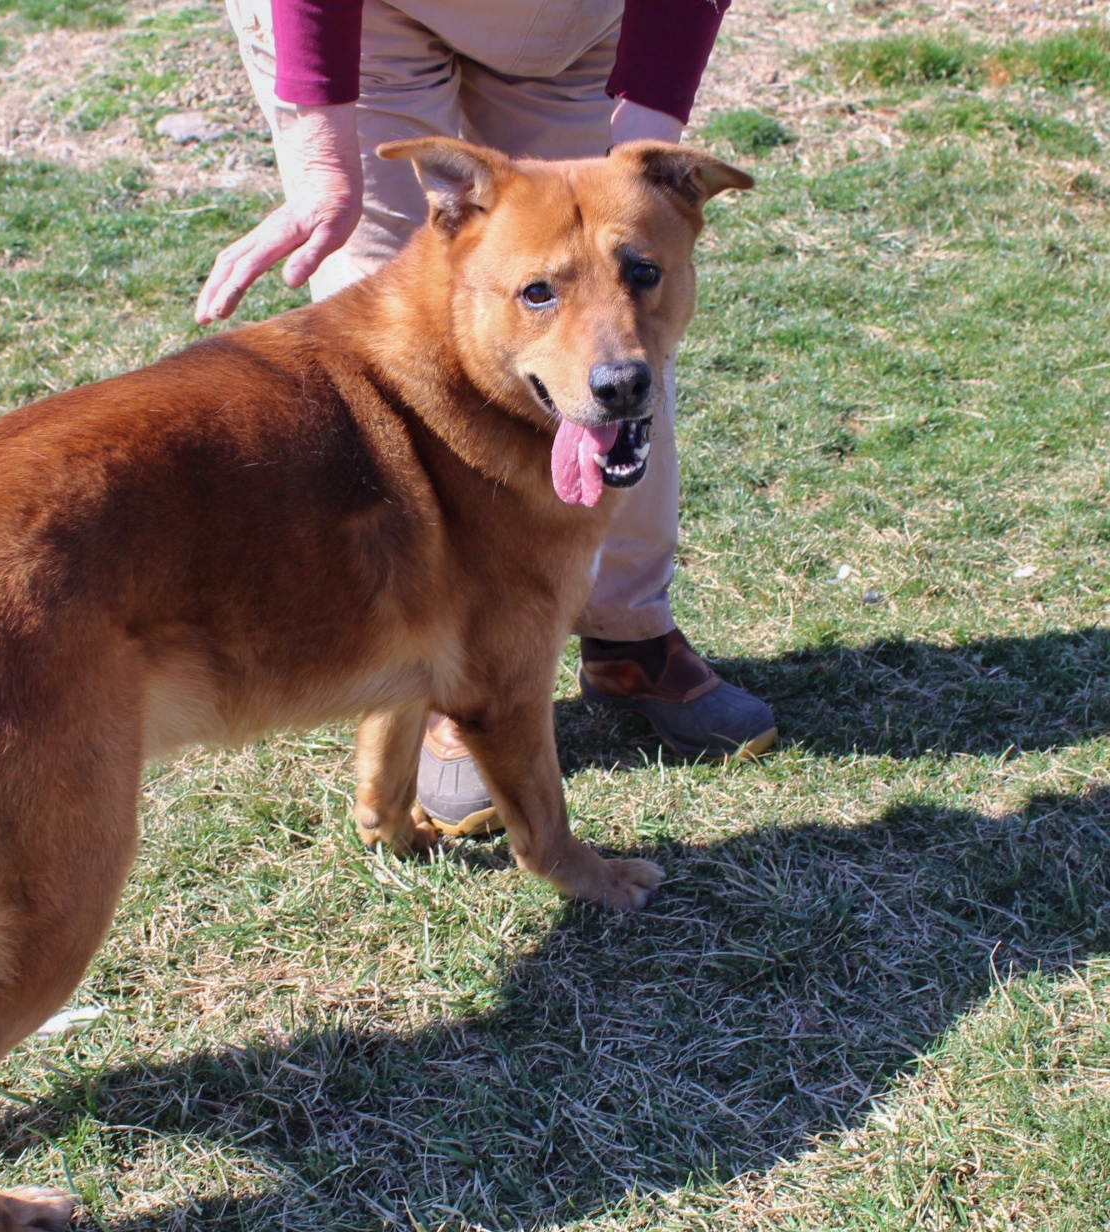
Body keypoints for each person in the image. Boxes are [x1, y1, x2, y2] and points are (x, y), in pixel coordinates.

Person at [197, 0, 777, 836]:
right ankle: (454, 674)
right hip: (365, 20)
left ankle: (629, 637)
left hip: (567, 21)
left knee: (610, 348)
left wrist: (642, 173)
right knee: (408, 357)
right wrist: (325, 163)